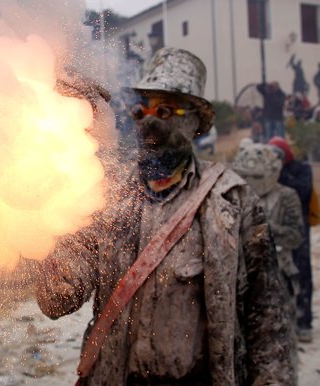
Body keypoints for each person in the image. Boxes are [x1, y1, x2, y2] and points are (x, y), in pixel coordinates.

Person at [35, 47, 294, 385]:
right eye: (142, 109)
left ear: (196, 122)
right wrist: (49, 211)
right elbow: (58, 299)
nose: (151, 121)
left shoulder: (232, 200)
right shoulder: (103, 197)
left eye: (167, 109)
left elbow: (267, 321)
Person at [231, 142, 303, 376]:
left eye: (257, 176)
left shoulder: (286, 196)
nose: (252, 181)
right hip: (241, 278)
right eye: (247, 176)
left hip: (280, 275)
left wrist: (264, 228)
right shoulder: (233, 196)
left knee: (281, 339)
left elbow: (296, 236)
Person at [269, 136, 317, 343]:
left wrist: (277, 174)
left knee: (302, 273)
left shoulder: (301, 168)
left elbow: (303, 190)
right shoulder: (269, 172)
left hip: (299, 229)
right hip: (277, 229)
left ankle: (304, 322)